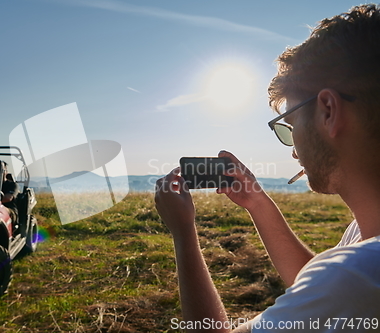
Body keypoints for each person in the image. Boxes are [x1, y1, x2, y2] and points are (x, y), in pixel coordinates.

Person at [155, 4, 380, 332]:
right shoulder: (361, 240)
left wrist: (183, 232)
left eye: (288, 125)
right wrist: (257, 203)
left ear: (328, 110)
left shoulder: (355, 273)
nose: (292, 150)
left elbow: (337, 284)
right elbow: (317, 291)